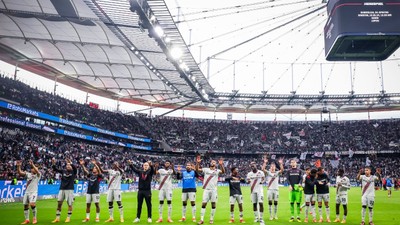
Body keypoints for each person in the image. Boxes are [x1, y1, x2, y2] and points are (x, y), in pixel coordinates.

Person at [195, 156, 225, 225]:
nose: (213, 163)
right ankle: (201, 220)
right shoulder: (206, 169)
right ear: (210, 163)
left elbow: (223, 171)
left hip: (214, 190)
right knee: (203, 204)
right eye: (212, 162)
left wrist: (221, 165)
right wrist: (197, 163)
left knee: (213, 204)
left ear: (216, 164)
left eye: (214, 162)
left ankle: (211, 219)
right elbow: (197, 169)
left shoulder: (217, 171)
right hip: (206, 190)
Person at [51, 158, 77, 223]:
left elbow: (75, 168)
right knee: (59, 203)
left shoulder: (73, 172)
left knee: (70, 204)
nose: (68, 166)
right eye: (67, 165)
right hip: (62, 189)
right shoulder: (63, 171)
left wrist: (70, 162)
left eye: (69, 165)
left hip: (69, 189)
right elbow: (55, 169)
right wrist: (53, 163)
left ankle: (68, 218)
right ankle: (57, 218)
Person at [16, 160, 41, 225]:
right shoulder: (28, 174)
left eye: (36, 168)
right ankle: (27, 220)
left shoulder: (38, 175)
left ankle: (35, 218)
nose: (35, 169)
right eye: (33, 168)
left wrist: (32, 164)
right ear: (31, 169)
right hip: (27, 192)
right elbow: (20, 173)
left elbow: (37, 171)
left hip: (33, 192)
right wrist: (18, 166)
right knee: (25, 206)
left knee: (32, 204)